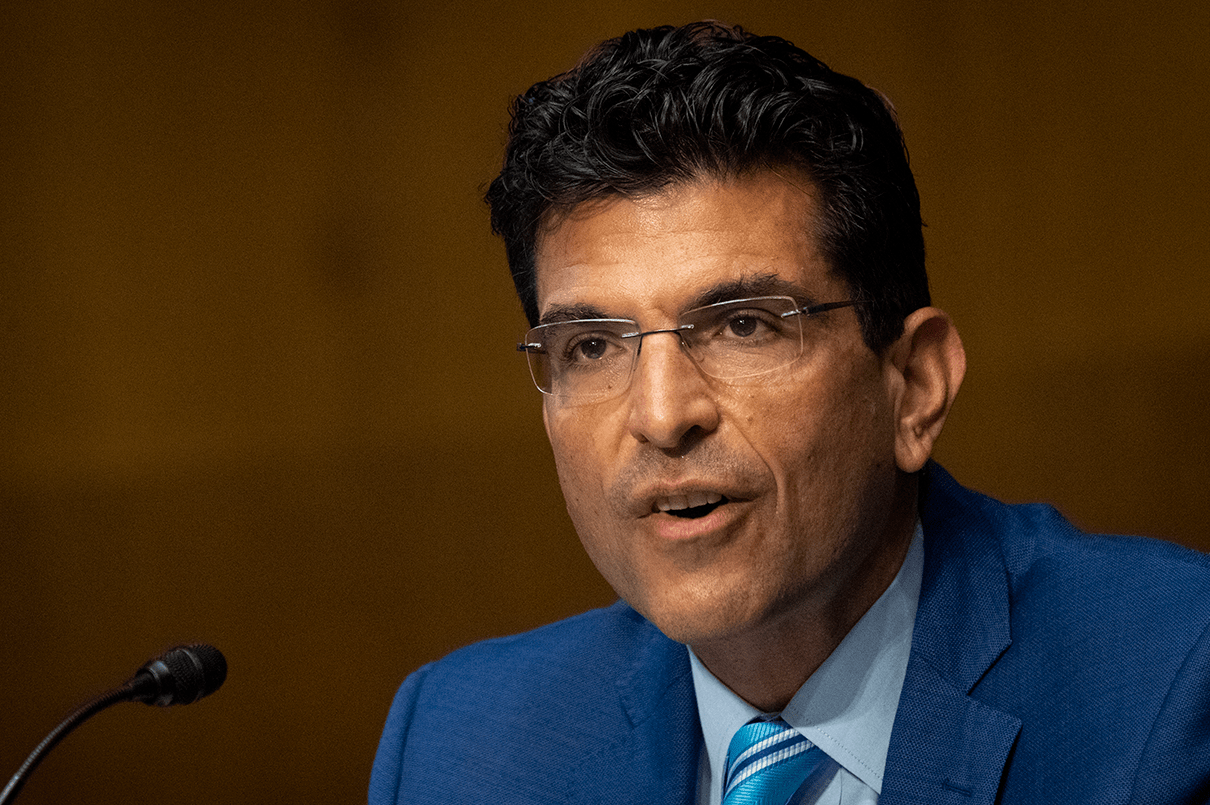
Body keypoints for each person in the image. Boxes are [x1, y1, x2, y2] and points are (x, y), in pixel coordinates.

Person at [369, 22, 1210, 804]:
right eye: (591, 345)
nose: (662, 414)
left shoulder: (1172, 685)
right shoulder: (459, 748)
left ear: (915, 386)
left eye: (744, 325)